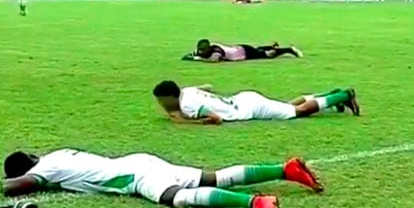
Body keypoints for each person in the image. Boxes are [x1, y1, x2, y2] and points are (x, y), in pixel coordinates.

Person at [1, 149, 324, 208]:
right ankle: (284, 169)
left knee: (177, 198)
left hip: (134, 177)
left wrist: (5, 183)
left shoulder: (45, 169)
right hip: (140, 160)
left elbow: (14, 187)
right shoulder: (56, 154)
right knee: (214, 176)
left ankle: (253, 203)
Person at [153, 81, 359, 125]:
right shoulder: (187, 92)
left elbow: (215, 119)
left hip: (248, 108)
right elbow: (207, 87)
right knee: (287, 105)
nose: (161, 105)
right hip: (242, 98)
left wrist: (184, 121)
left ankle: (343, 96)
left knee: (297, 112)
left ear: (170, 97)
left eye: (162, 102)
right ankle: (330, 95)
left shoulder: (187, 106)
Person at [181, 39, 302, 62]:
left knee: (267, 55)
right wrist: (191, 57)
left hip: (244, 53)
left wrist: (198, 59)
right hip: (240, 48)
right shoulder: (203, 51)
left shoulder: (216, 51)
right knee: (259, 50)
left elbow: (214, 60)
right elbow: (192, 54)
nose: (201, 52)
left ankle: (289, 50)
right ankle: (272, 46)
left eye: (203, 50)